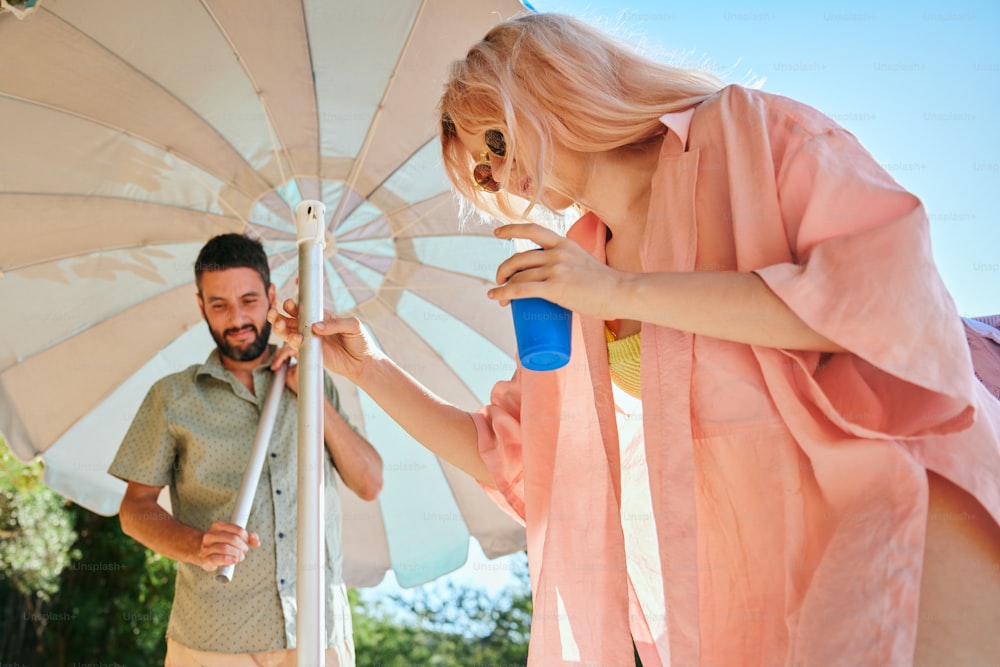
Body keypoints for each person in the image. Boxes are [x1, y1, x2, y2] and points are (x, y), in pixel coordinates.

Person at [268, 13, 1000, 667]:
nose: (499, 173)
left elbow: (875, 302)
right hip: (749, 586)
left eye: (496, 137)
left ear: (555, 84)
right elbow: (510, 452)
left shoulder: (750, 133)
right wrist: (370, 369)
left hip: (897, 500)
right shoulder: (574, 266)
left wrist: (617, 292)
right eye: (483, 171)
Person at [109, 234, 383, 667]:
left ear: (272, 297)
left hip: (318, 633)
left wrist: (307, 389)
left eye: (249, 300)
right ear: (201, 307)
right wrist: (198, 545)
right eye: (219, 305)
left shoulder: (315, 380)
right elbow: (134, 511)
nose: (237, 318)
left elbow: (369, 482)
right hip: (212, 638)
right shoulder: (173, 397)